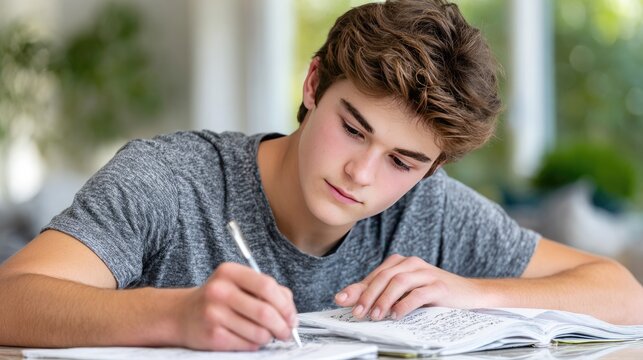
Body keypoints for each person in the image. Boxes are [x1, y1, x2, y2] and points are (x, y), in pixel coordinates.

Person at [1, 0, 642, 352]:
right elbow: (10, 299)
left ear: (432, 168)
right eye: (354, 127)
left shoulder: (430, 212)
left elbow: (624, 294)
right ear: (313, 85)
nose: (360, 174)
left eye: (402, 161)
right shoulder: (168, 180)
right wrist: (175, 317)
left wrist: (472, 291)